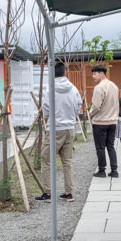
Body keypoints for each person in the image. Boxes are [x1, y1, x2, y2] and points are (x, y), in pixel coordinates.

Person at [36, 61, 82, 202]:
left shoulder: (50, 89)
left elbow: (46, 108)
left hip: (55, 129)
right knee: (67, 161)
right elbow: (79, 104)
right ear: (64, 72)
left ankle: (48, 193)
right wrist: (72, 116)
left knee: (46, 160)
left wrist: (46, 121)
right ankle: (68, 193)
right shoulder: (73, 89)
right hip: (69, 128)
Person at [88, 63, 119, 177]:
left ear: (102, 74)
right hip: (113, 121)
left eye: (95, 74)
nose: (93, 76)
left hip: (100, 122)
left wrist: (91, 114)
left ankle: (102, 170)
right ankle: (114, 170)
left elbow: (96, 106)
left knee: (100, 147)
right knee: (110, 146)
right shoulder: (114, 86)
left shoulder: (99, 87)